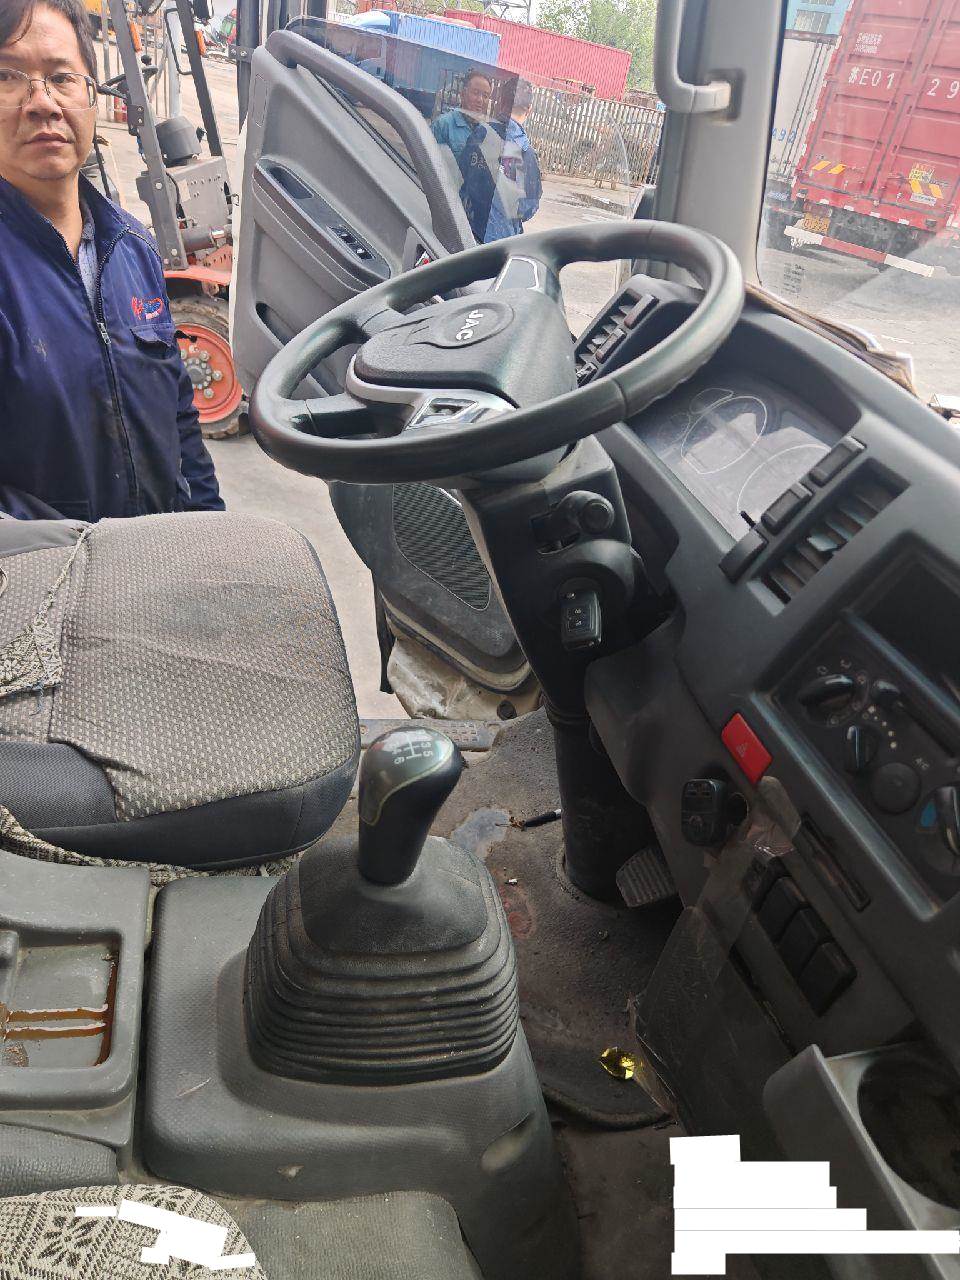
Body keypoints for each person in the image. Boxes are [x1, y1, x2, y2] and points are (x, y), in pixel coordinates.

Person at [0, 0, 223, 520]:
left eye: (62, 78)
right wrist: (92, 554)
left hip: (159, 556)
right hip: (55, 569)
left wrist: (210, 534)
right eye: (9, 77)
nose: (42, 103)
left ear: (92, 98)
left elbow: (179, 420)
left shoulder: (132, 248)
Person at [458, 78, 542, 244]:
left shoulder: (480, 135)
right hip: (501, 241)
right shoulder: (526, 153)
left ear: (500, 102)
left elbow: (460, 175)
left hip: (467, 228)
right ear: (529, 110)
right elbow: (528, 207)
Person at [430, 68, 492, 163]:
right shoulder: (443, 125)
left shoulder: (488, 133)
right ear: (463, 95)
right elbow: (427, 161)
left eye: (485, 96)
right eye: (475, 93)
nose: (480, 100)